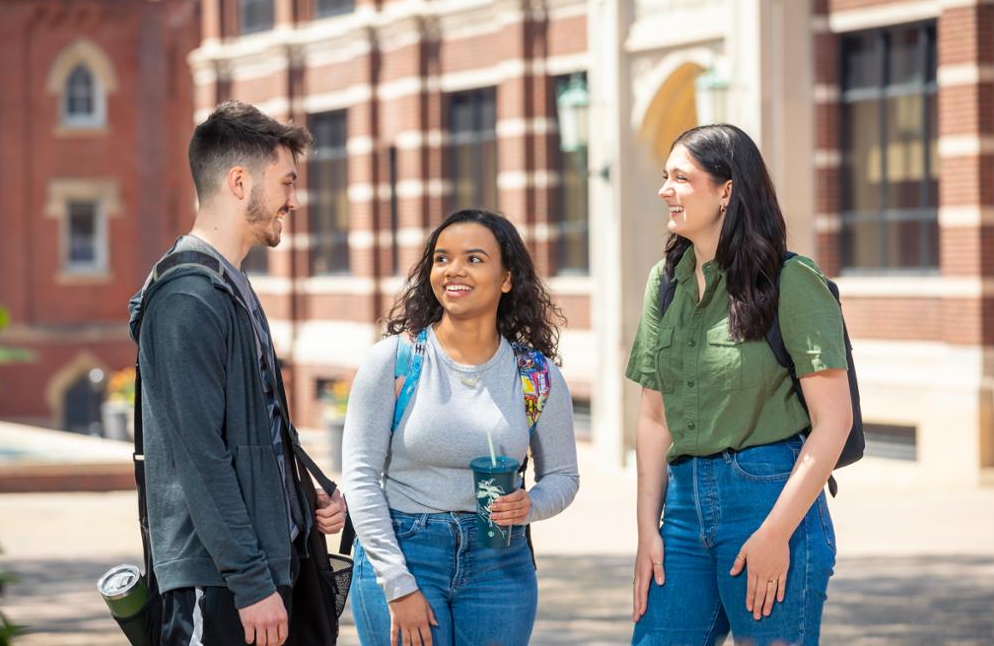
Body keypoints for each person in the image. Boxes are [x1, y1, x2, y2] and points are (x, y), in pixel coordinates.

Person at [128, 101, 347, 646]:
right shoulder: (186, 299)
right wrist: (250, 583)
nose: (294, 201)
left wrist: (302, 496)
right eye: (286, 183)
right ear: (239, 180)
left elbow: (255, 433)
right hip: (219, 587)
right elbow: (201, 456)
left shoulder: (230, 285)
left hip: (268, 573)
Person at [627, 124, 851, 646]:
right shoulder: (663, 284)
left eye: (681, 178)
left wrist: (776, 533)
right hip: (681, 511)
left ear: (726, 190)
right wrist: (646, 531)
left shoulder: (791, 281)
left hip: (770, 498)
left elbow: (833, 422)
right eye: (665, 177)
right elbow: (654, 419)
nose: (665, 190)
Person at [342, 209, 581, 646]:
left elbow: (563, 476)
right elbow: (359, 479)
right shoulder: (394, 361)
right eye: (442, 258)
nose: (454, 270)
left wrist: (531, 506)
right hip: (405, 551)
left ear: (507, 278)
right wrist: (398, 584)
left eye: (474, 259)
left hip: (501, 565)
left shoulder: (536, 375)